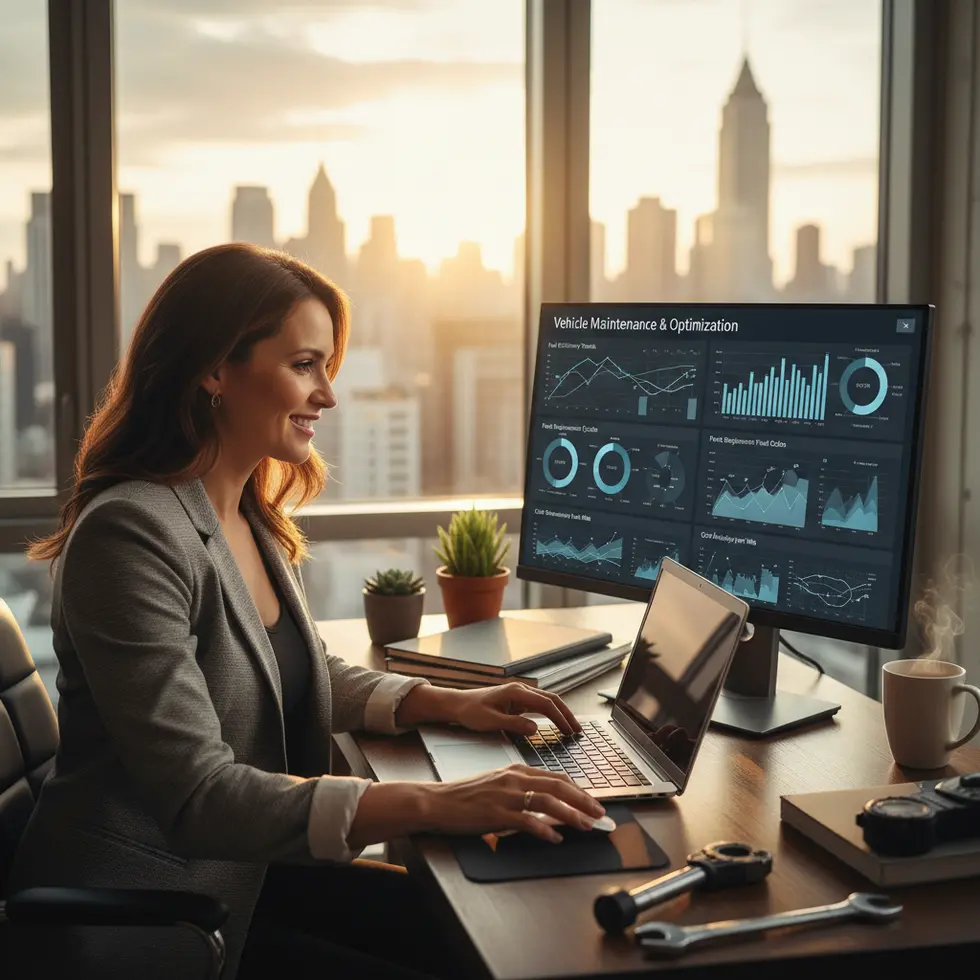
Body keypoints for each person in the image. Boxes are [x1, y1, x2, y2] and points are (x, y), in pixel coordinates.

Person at [8, 243, 605, 980]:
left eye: (328, 366)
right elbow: (200, 795)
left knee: (486, 934)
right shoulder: (130, 533)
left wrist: (450, 703)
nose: (327, 394)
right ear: (216, 369)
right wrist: (440, 802)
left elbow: (295, 665)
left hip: (254, 877)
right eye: (304, 365)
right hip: (161, 915)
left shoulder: (244, 511)